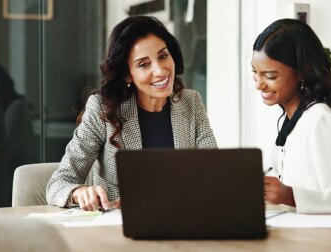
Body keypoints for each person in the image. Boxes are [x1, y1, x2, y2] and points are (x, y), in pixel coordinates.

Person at [46, 16, 217, 211]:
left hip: (181, 224)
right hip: (119, 231)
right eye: (144, 64)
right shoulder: (102, 110)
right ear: (127, 74)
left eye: (163, 56)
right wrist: (79, 193)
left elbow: (212, 173)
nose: (160, 71)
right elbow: (58, 183)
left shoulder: (190, 102)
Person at [252, 19, 331, 216]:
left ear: (301, 72)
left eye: (270, 76)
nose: (259, 84)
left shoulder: (321, 121)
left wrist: (290, 195)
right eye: (255, 73)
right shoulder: (291, 122)